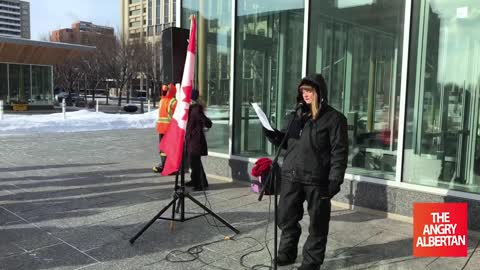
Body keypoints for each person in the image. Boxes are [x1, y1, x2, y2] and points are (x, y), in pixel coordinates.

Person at [264, 73, 348, 270]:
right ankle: (287, 253)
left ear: (319, 92)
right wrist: (272, 134)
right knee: (285, 217)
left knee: (318, 224)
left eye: (309, 90)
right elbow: (286, 144)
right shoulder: (294, 116)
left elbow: (339, 152)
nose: (305, 94)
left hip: (317, 180)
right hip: (291, 176)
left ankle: (311, 263)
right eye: (303, 90)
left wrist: (335, 180)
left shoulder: (334, 119)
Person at [185, 89, 212, 191]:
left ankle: (201, 183)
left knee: (195, 162)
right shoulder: (190, 108)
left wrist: (207, 123)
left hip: (195, 140)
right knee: (193, 162)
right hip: (190, 139)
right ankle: (195, 180)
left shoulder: (196, 109)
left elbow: (206, 122)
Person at [153, 84, 177, 173]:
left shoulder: (162, 101)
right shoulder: (173, 101)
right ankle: (170, 167)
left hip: (161, 128)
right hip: (169, 129)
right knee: (171, 148)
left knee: (163, 148)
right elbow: (177, 114)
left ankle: (164, 165)